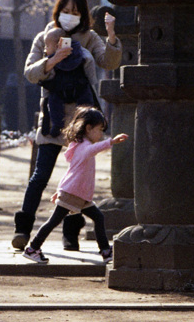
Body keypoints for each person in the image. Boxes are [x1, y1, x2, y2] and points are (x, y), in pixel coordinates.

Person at [12, 0, 122, 251]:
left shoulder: (89, 37)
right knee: (40, 175)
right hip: (53, 114)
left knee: (79, 176)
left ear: (82, 14)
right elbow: (29, 73)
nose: (69, 16)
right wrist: (52, 61)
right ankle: (22, 230)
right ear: (58, 11)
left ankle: (70, 235)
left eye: (75, 12)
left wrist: (112, 36)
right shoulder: (44, 37)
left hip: (82, 116)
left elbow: (108, 62)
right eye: (65, 11)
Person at [23, 106, 128, 264]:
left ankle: (106, 251)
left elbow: (71, 171)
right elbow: (93, 150)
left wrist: (59, 190)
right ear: (88, 128)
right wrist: (111, 141)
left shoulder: (80, 145)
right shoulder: (84, 147)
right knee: (54, 221)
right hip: (74, 194)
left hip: (79, 194)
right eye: (99, 130)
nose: (101, 134)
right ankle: (33, 248)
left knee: (98, 217)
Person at [38, 28, 93, 138]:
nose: (45, 50)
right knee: (52, 102)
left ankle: (83, 123)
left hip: (78, 87)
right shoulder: (51, 59)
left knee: (85, 104)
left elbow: (89, 66)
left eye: (47, 46)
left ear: (57, 46)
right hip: (60, 89)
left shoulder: (78, 53)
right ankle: (58, 124)